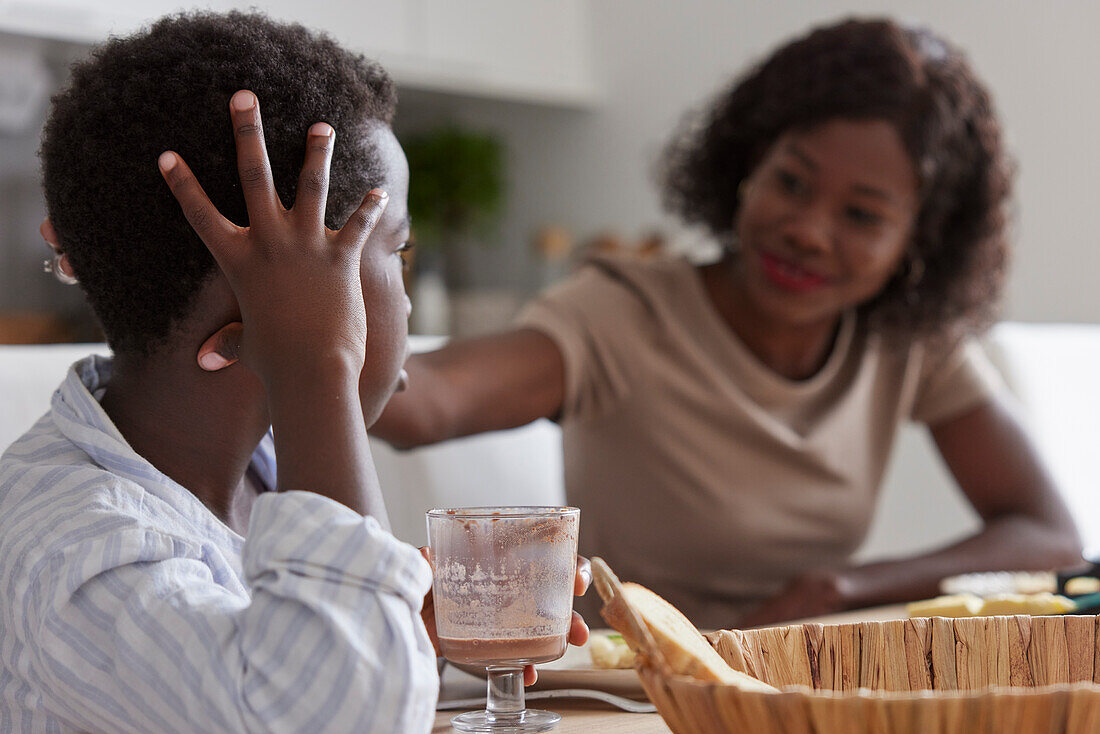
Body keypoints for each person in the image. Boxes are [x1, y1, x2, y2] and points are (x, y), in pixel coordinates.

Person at [359, 18, 1083, 630]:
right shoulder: (625, 313)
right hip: (634, 696)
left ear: (918, 242)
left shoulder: (905, 341)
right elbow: (426, 401)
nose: (807, 229)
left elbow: (1049, 534)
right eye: (790, 182)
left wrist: (841, 588)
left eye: (860, 215)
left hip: (798, 685)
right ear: (747, 165)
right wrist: (307, 324)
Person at [0, 12, 587, 732]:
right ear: (275, 299)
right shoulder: (78, 557)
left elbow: (270, 679)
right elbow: (346, 716)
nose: (403, 297)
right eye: (397, 253)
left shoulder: (253, 472)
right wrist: (316, 368)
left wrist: (396, 623)